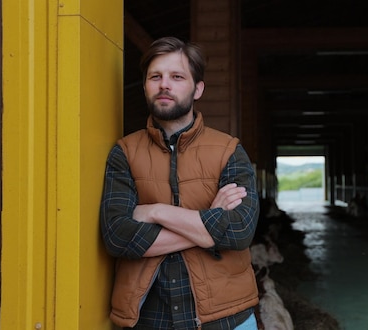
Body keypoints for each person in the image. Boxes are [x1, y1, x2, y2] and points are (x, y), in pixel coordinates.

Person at [99, 36, 260, 330]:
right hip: (147, 318)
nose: (164, 85)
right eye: (155, 77)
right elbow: (118, 236)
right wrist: (209, 224)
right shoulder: (124, 152)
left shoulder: (228, 150)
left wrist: (154, 211)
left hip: (227, 317)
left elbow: (239, 231)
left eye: (177, 77)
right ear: (145, 86)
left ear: (197, 88)